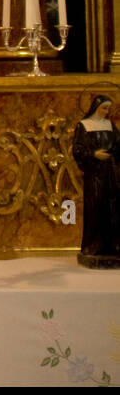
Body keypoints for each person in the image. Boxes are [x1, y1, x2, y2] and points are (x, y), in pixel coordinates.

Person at [72, 94, 120, 268]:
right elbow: (78, 149)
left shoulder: (109, 125)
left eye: (108, 109)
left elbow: (118, 145)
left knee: (113, 207)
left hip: (111, 172)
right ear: (95, 107)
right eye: (104, 108)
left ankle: (113, 245)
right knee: (96, 208)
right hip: (95, 174)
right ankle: (94, 246)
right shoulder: (84, 126)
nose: (106, 112)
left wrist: (113, 154)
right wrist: (93, 155)